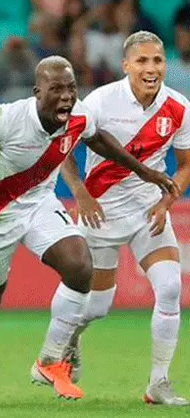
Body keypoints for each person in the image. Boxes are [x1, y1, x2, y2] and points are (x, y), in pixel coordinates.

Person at [0, 56, 178, 408]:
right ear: (37, 92)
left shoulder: (78, 114)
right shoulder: (5, 118)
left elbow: (99, 139)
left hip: (39, 204)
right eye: (56, 89)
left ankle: (49, 360)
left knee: (80, 267)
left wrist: (146, 173)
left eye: (71, 88)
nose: (66, 97)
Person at [58, 32, 190, 405]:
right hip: (101, 213)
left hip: (148, 212)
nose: (151, 69)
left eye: (158, 61)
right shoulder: (99, 102)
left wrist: (166, 202)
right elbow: (63, 149)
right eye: (143, 62)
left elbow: (185, 166)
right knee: (98, 306)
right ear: (126, 66)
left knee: (169, 289)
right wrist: (80, 194)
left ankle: (158, 383)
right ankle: (70, 340)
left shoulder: (179, 107)